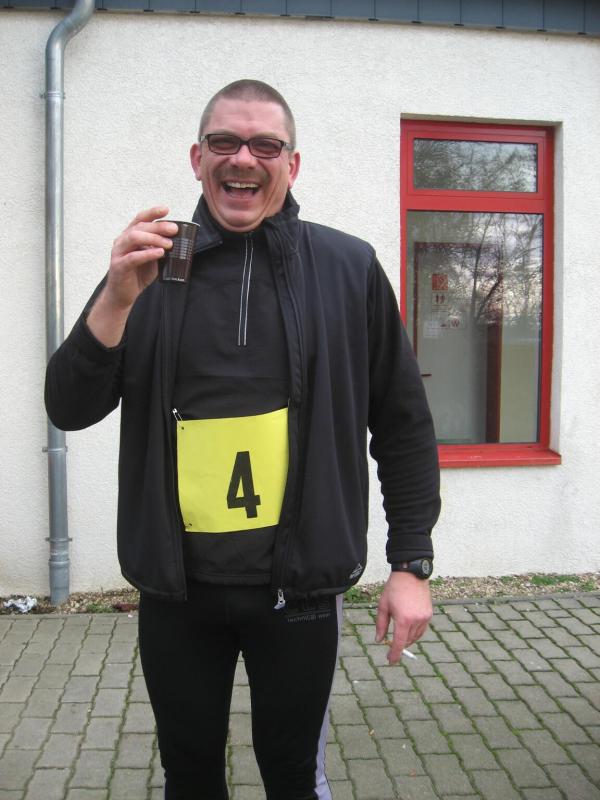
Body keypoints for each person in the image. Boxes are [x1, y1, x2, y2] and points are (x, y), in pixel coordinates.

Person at [45, 79, 440, 800]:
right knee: (189, 776)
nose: (244, 159)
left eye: (266, 145)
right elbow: (68, 407)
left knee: (292, 777)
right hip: (178, 591)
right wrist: (116, 298)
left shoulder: (348, 269)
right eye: (224, 142)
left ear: (293, 163)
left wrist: (410, 562)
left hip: (300, 589)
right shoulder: (148, 268)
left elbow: (403, 421)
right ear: (198, 158)